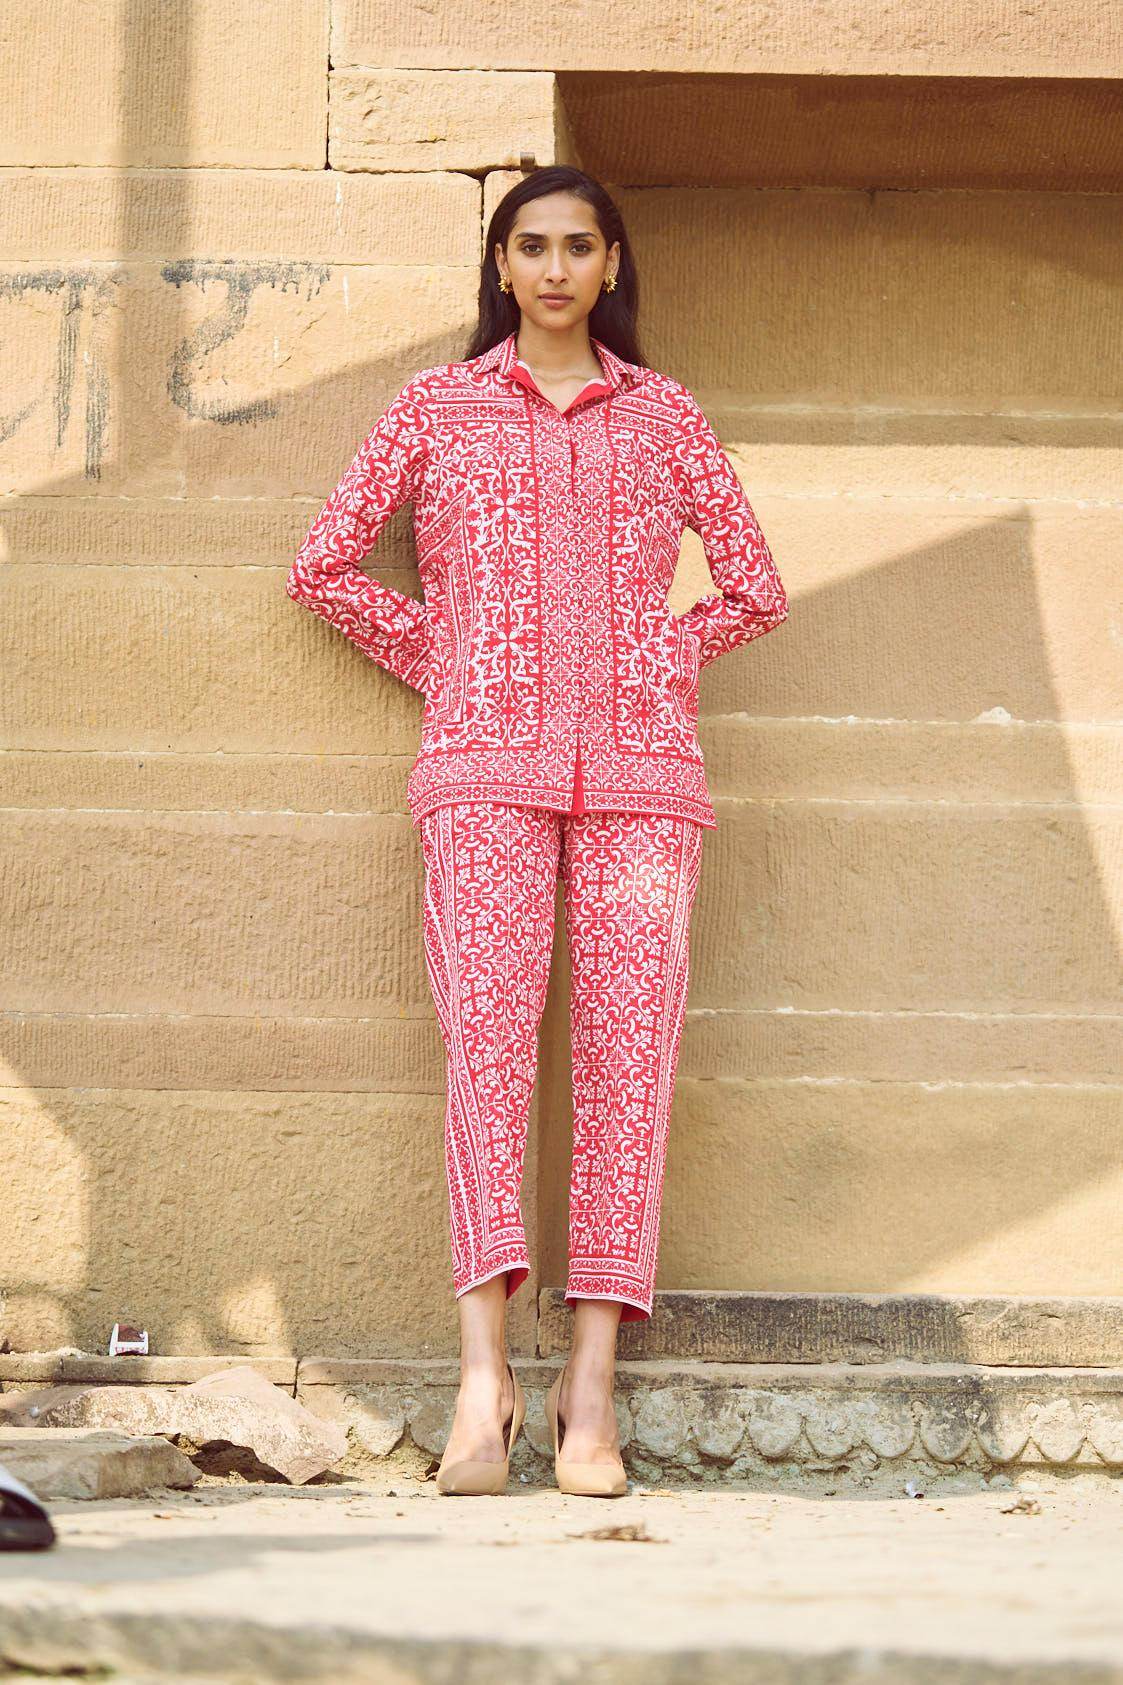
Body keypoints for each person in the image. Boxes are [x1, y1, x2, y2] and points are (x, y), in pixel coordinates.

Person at [286, 164, 790, 1496]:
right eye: (532, 246)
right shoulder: (437, 408)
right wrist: (449, 660)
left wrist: (659, 657)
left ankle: (590, 1389)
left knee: (629, 1067)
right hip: (479, 772)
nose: (556, 269)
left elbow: (753, 587)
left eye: (579, 246)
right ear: (500, 266)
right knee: (486, 1056)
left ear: (611, 264)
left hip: (644, 777)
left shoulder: (666, 416)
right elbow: (323, 565)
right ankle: (482, 1379)